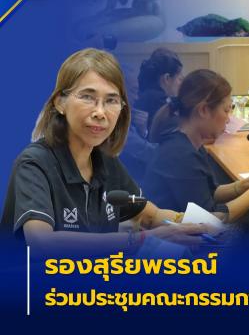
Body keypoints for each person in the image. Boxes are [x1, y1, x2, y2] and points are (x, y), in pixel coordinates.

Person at [0, 48, 209, 255]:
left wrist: (207, 226)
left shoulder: (104, 160)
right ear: (60, 103)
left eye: (111, 100)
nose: (100, 112)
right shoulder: (34, 163)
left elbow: (151, 215)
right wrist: (142, 239)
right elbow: (41, 242)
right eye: (87, 97)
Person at [143, 69, 249, 222]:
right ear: (203, 110)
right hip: (185, 233)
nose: (228, 119)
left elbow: (210, 193)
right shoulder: (180, 154)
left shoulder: (191, 143)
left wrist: (246, 184)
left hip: (191, 227)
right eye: (226, 110)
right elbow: (209, 221)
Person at [135, 47, 184, 134]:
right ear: (167, 78)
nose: (181, 83)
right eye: (179, 78)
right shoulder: (160, 101)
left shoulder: (145, 94)